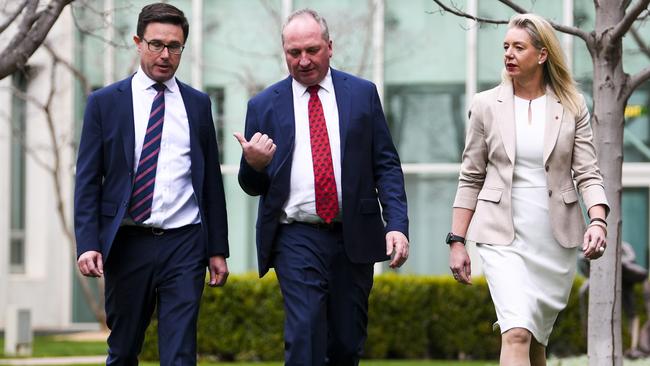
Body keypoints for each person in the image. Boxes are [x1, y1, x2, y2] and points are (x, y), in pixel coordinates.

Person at [233, 8, 409, 365]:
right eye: (293, 53)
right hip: (295, 235)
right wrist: (254, 165)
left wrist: (397, 225)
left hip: (354, 234)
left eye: (311, 50)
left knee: (346, 343)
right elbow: (251, 185)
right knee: (305, 335)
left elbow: (386, 165)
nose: (303, 60)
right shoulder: (264, 105)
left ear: (330, 46)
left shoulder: (361, 95)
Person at [447, 13, 609, 365]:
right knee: (517, 331)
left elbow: (587, 172)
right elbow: (471, 176)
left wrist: (598, 220)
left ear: (542, 54)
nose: (509, 54)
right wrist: (457, 240)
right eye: (506, 46)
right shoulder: (486, 104)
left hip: (553, 239)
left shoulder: (571, 106)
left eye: (518, 47)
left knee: (535, 340)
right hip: (501, 235)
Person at [74, 3, 229, 364]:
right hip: (128, 242)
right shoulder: (104, 103)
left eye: (174, 46)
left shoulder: (198, 104)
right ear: (138, 42)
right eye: (156, 44)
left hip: (184, 242)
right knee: (125, 347)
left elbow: (209, 184)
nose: (165, 54)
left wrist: (216, 248)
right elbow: (87, 180)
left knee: (180, 351)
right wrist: (87, 242)